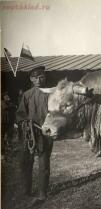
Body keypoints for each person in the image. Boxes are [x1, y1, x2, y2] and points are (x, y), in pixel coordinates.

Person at [16, 65, 53, 205]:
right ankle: (26, 191)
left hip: (45, 133)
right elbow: (20, 114)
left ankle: (42, 193)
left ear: (45, 77)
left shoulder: (50, 94)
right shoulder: (27, 95)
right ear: (31, 79)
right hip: (29, 134)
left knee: (44, 163)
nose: (39, 80)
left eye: (41, 77)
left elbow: (55, 113)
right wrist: (25, 122)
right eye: (35, 77)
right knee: (27, 162)